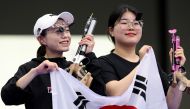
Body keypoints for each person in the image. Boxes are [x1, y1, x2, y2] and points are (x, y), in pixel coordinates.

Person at [87, 4, 186, 109]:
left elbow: (171, 106)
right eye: (124, 22)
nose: (131, 27)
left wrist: (177, 73)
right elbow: (115, 93)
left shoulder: (150, 63)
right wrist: (143, 64)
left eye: (136, 23)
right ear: (111, 31)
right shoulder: (103, 62)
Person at [1, 11, 96, 109]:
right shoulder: (30, 68)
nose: (66, 35)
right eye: (59, 31)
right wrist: (35, 72)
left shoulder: (75, 68)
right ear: (42, 39)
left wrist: (90, 55)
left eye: (67, 30)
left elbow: (103, 96)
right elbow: (8, 97)